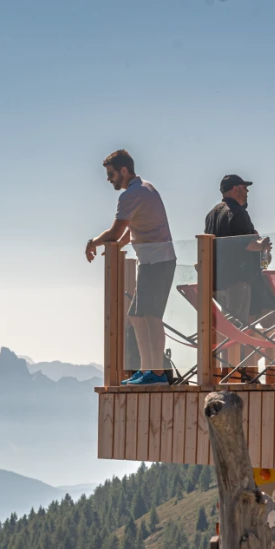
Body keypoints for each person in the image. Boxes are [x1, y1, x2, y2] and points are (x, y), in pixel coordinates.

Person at [86, 149, 176, 385]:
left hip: (157, 262)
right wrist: (117, 245)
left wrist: (92, 242)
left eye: (111, 174)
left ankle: (156, 373)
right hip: (154, 261)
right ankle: (147, 369)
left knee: (152, 317)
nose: (109, 179)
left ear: (124, 170)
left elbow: (115, 232)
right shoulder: (146, 188)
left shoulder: (131, 194)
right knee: (136, 316)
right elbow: (131, 230)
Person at [204, 174, 275, 324]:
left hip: (217, 281)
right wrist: (261, 245)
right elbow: (247, 244)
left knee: (232, 324)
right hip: (238, 280)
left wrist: (261, 248)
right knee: (240, 325)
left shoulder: (211, 215)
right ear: (235, 189)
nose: (247, 191)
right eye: (244, 188)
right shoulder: (237, 212)